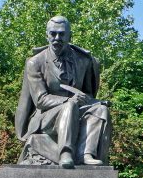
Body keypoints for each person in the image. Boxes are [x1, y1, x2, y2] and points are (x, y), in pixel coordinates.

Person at [14, 16, 111, 168]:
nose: (57, 38)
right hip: (46, 117)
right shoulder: (35, 62)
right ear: (47, 35)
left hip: (76, 110)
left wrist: (93, 102)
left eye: (61, 34)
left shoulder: (83, 61)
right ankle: (65, 153)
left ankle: (86, 153)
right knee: (70, 105)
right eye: (53, 34)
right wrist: (69, 101)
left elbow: (88, 93)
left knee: (100, 109)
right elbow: (41, 100)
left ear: (69, 35)